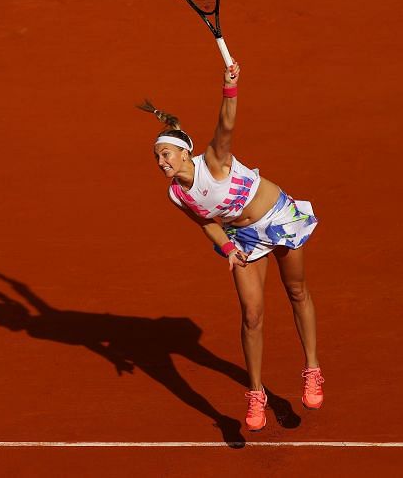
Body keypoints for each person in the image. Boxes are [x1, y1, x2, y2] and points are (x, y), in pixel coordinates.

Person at [137, 59, 324, 432]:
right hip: (245, 238)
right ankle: (256, 394)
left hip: (278, 216)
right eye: (157, 157)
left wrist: (230, 86)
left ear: (185, 152)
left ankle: (312, 368)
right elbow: (207, 222)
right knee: (251, 315)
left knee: (297, 291)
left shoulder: (216, 161)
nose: (160, 162)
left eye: (165, 155)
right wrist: (227, 248)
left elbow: (227, 122)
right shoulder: (177, 195)